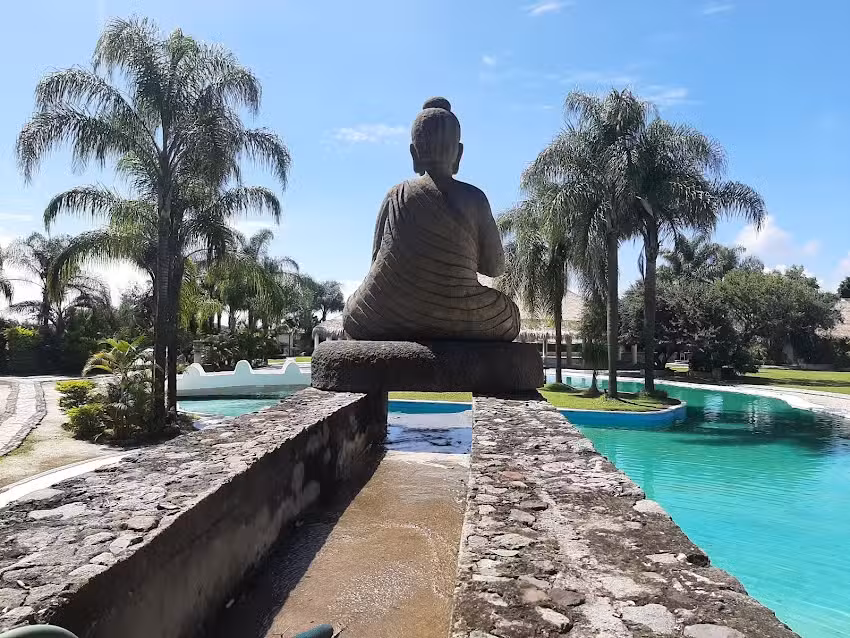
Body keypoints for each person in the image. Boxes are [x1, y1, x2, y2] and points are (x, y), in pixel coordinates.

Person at [342, 97, 520, 342]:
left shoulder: (396, 195)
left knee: (353, 311)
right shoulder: (474, 198)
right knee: (509, 315)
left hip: (384, 314)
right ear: (458, 153)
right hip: (460, 311)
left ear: (414, 153)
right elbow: (495, 267)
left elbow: (375, 260)